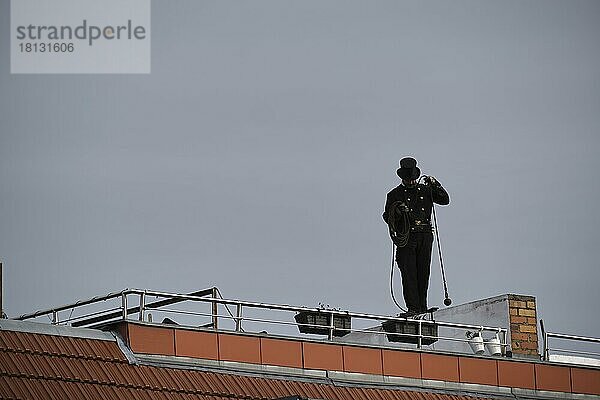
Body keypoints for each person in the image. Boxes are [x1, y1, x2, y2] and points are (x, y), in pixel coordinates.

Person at [383, 157, 449, 316]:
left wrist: (435, 184)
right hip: (407, 236)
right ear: (403, 178)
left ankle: (422, 306)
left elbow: (445, 200)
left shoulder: (426, 191)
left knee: (423, 271)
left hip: (425, 234)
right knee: (409, 272)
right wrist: (398, 211)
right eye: (408, 179)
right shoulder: (394, 194)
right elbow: (387, 216)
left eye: (413, 179)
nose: (412, 182)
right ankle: (413, 307)